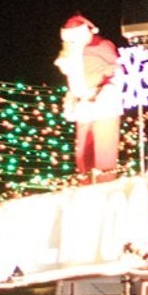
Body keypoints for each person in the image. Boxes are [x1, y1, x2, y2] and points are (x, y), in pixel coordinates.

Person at [55, 14, 122, 176]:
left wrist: (105, 91)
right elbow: (73, 78)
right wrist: (71, 98)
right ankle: (85, 184)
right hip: (82, 105)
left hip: (103, 104)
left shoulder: (102, 45)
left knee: (103, 151)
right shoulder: (71, 52)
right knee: (84, 154)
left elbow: (118, 70)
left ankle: (105, 185)